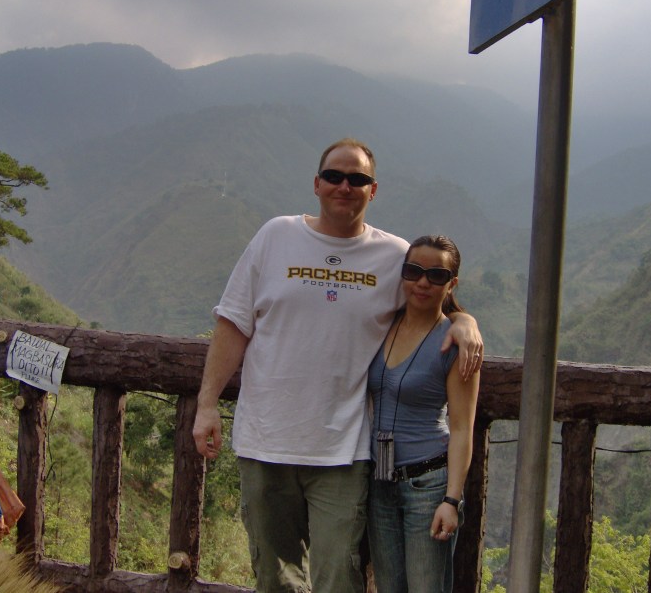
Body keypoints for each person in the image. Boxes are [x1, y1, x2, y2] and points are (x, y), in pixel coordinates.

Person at [192, 138, 484, 593]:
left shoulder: (394, 256)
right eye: (334, 176)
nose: (344, 186)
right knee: (274, 578)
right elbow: (233, 323)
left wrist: (465, 322)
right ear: (316, 183)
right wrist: (207, 403)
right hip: (265, 441)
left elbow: (430, 299)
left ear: (373, 190)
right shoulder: (275, 236)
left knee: (339, 578)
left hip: (344, 451)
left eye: (357, 179)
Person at [366, 234, 480, 593]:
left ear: (451, 284)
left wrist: (451, 499)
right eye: (413, 271)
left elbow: (461, 428)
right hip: (379, 482)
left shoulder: (455, 344)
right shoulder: (381, 325)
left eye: (436, 275)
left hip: (428, 485)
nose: (423, 282)